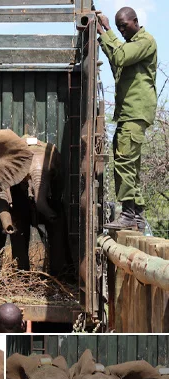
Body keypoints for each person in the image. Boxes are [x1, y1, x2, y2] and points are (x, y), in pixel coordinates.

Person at [97, 7, 157, 231]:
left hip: (135, 111)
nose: (122, 31)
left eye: (124, 26)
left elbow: (120, 56)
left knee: (124, 160)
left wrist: (108, 32)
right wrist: (104, 34)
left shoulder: (145, 41)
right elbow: (116, 60)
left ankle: (129, 214)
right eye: (119, 27)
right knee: (130, 163)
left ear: (135, 21)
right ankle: (138, 217)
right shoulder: (131, 43)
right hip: (128, 112)